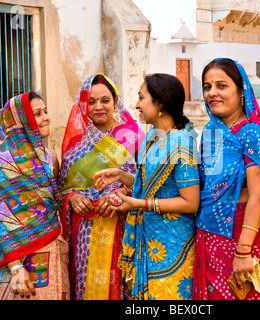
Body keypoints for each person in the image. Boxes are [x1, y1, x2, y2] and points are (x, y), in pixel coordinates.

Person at [101, 73, 200, 300]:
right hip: (149, 239)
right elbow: (148, 184)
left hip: (173, 245)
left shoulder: (182, 142)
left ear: (160, 104)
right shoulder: (152, 137)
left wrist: (139, 204)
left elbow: (191, 202)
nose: (136, 104)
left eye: (141, 98)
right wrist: (120, 176)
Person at [193, 58, 260, 300]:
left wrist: (243, 251)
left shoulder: (253, 133)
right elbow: (204, 186)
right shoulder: (209, 131)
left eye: (221, 86)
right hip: (209, 237)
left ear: (241, 91)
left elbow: (258, 195)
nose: (212, 93)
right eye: (207, 87)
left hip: (246, 238)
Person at [57, 73, 144, 300]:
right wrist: (73, 198)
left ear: (116, 102)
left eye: (105, 100)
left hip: (122, 227)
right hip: (84, 233)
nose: (98, 107)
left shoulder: (133, 138)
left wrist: (121, 193)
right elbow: (62, 188)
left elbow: (148, 183)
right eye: (91, 101)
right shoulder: (76, 141)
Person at [0, 92, 70, 300]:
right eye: (37, 114)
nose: (46, 117)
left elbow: (57, 197)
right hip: (17, 260)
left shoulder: (50, 158)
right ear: (20, 122)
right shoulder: (0, 165)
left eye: (45, 111)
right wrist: (15, 267)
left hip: (52, 250)